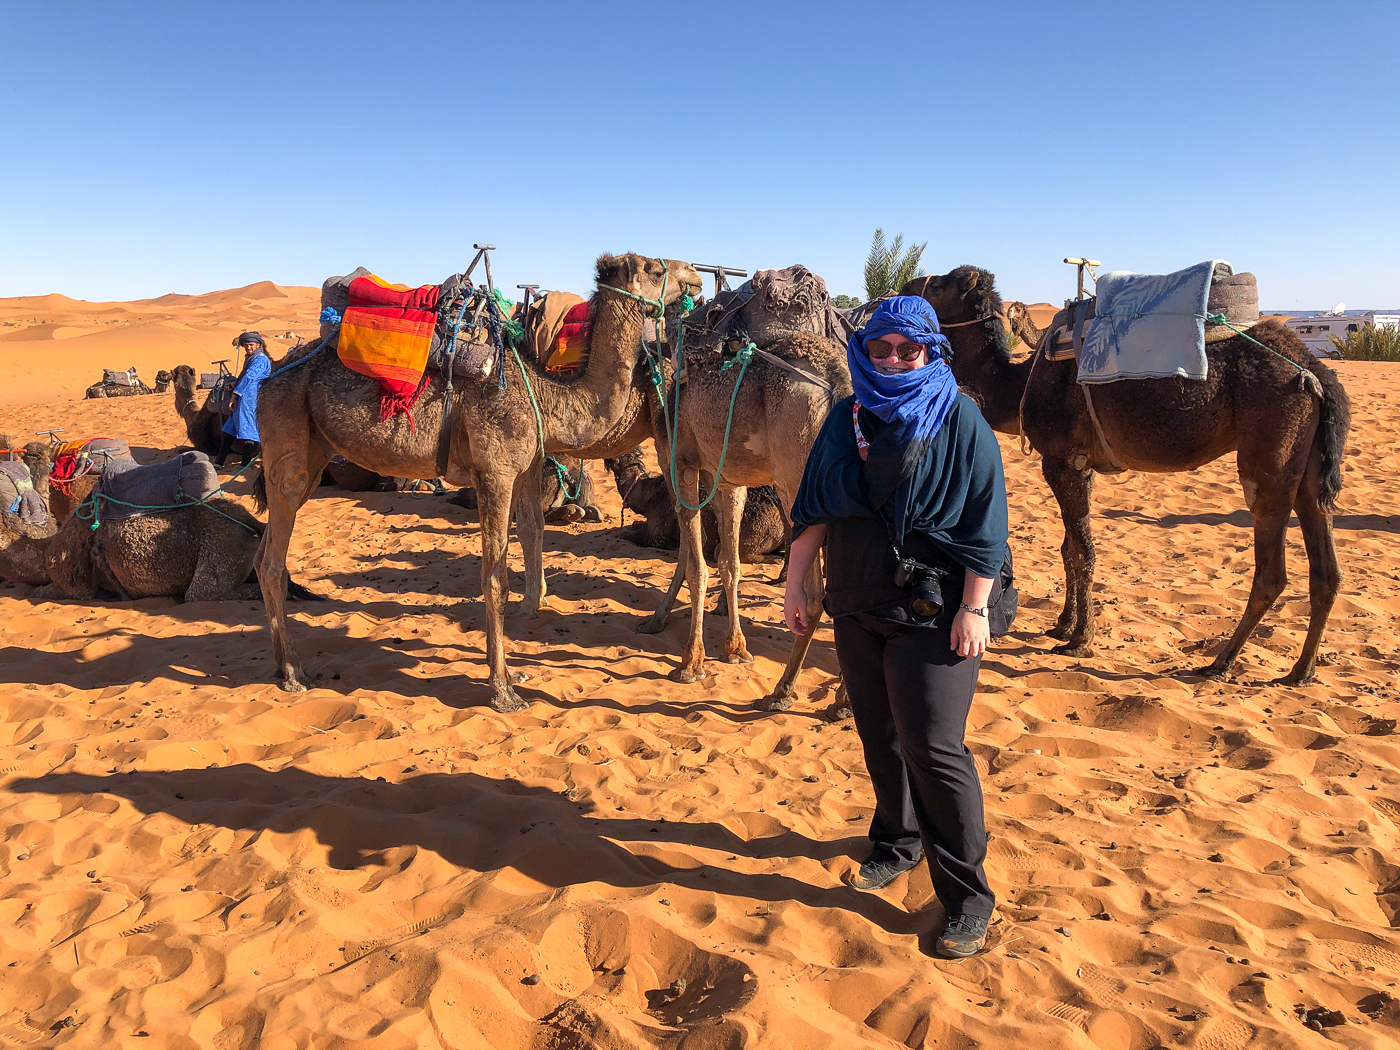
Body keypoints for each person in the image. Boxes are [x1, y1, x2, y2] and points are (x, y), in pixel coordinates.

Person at [785, 296, 1011, 959]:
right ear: (864, 350)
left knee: (935, 750)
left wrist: (974, 608)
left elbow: (984, 524)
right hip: (856, 602)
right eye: (880, 348)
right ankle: (897, 842)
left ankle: (968, 897)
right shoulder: (845, 417)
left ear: (930, 352)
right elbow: (814, 509)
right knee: (878, 733)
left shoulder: (961, 418)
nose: (892, 360)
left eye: (907, 350)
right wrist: (797, 582)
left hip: (935, 613)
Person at [217, 332, 271, 467]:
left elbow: (249, 377)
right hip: (243, 395)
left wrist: (235, 394)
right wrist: (235, 386)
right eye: (246, 345)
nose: (248, 348)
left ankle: (245, 464)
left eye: (251, 345)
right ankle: (219, 462)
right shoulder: (251, 358)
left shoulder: (260, 359)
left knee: (248, 429)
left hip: (250, 398)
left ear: (258, 344)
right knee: (229, 428)